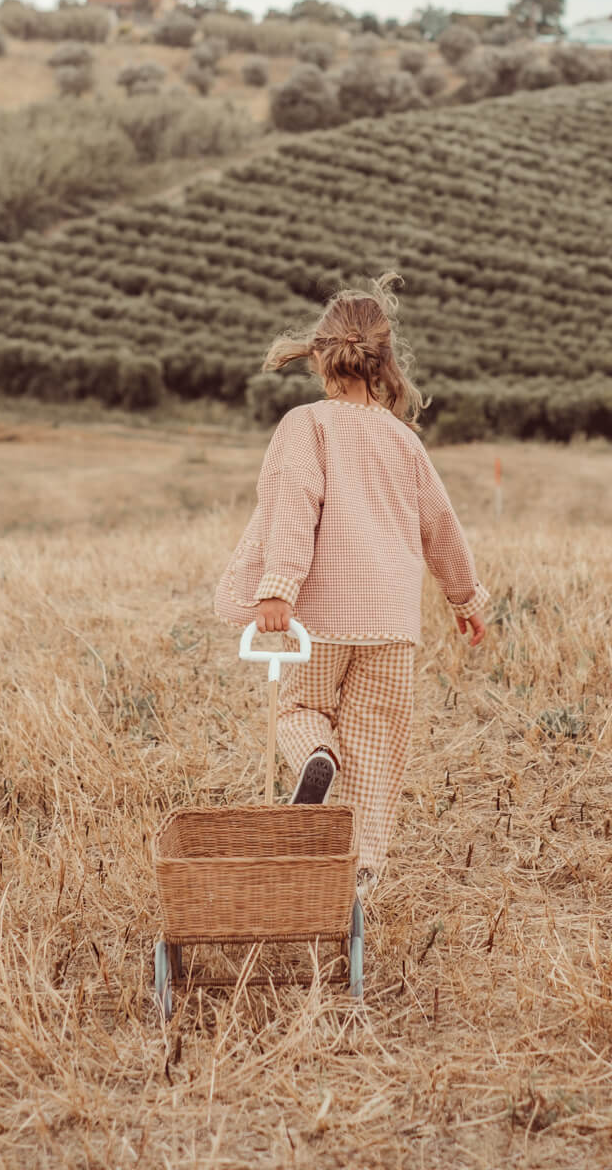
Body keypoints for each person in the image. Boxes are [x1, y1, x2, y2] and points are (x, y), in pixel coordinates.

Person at [215, 276, 488, 892]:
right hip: (391, 622)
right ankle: (360, 871)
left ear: (320, 355)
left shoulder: (306, 425)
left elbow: (294, 504)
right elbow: (440, 525)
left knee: (301, 709)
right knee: (377, 742)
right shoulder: (403, 440)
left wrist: (278, 587)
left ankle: (318, 756)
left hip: (321, 617)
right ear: (384, 361)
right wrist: (465, 598)